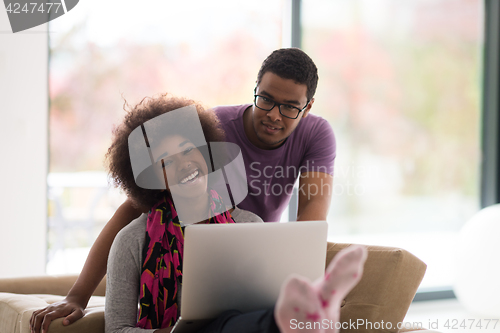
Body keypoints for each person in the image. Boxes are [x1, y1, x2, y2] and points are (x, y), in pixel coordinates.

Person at [30, 48, 336, 332]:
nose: (273, 114)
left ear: (307, 107)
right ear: (255, 89)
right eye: (266, 99)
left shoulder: (315, 136)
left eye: (290, 107)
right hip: (185, 241)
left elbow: (312, 216)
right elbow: (134, 208)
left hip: (249, 249)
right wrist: (77, 296)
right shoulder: (215, 129)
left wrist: (300, 291)